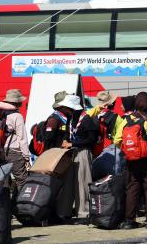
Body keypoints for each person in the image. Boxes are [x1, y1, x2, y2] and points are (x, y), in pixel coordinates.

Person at [121, 92, 147, 230]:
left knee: (132, 188)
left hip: (131, 160)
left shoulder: (126, 119)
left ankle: (129, 221)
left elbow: (117, 140)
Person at [59, 94, 98, 222]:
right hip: (71, 152)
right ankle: (66, 211)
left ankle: (83, 212)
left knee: (83, 182)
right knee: (69, 182)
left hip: (83, 152)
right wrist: (65, 140)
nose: (63, 110)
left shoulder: (87, 120)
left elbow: (91, 139)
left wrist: (73, 143)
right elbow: (67, 134)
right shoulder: (71, 119)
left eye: (65, 107)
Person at [0, 89, 30, 190]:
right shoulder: (17, 116)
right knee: (22, 181)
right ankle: (23, 204)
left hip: (1, 149)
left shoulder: (1, 113)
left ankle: (5, 204)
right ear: (17, 102)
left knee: (4, 181)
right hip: (14, 151)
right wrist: (26, 156)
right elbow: (22, 138)